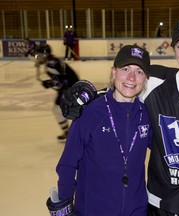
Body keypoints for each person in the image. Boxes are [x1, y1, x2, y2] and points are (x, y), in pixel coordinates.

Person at [60, 17, 179, 216]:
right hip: (158, 204)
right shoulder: (155, 83)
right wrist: (86, 96)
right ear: (173, 49)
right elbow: (123, 89)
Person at [46, 45, 153, 216]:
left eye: (139, 72)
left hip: (136, 210)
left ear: (146, 79)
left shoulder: (146, 115)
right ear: (113, 72)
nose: (131, 77)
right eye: (125, 69)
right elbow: (68, 162)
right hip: (93, 209)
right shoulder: (91, 112)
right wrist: (64, 201)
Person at [36, 44, 80, 142]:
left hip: (70, 88)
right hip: (71, 87)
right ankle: (70, 133)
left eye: (39, 55)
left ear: (45, 54)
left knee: (58, 109)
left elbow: (62, 80)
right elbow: (61, 78)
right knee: (61, 109)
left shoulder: (50, 64)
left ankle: (70, 134)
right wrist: (52, 83)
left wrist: (51, 83)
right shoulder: (52, 61)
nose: (37, 57)